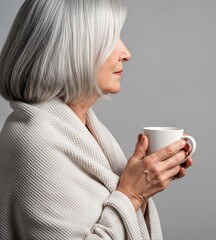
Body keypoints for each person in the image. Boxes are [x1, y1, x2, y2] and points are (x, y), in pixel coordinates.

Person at [0, 0, 193, 239]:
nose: (127, 53)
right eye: (111, 40)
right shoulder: (33, 143)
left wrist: (145, 182)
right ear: (72, 49)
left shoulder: (84, 125)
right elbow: (123, 200)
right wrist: (132, 195)